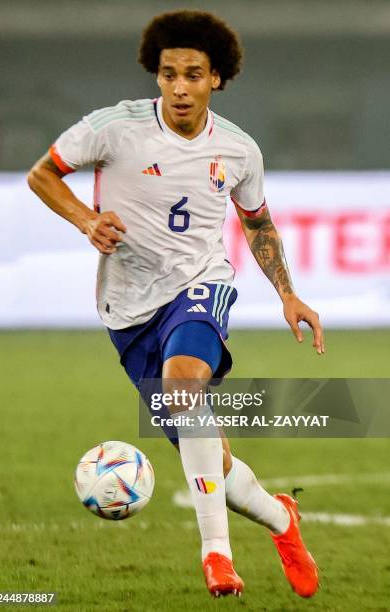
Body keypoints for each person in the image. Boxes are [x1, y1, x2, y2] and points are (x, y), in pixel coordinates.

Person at [28, 10, 324, 599]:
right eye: (168, 74)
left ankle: (216, 556)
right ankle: (282, 519)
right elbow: (44, 175)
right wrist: (88, 221)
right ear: (155, 76)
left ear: (218, 78)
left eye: (193, 74)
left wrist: (287, 293)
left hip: (201, 282)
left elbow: (257, 221)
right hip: (128, 308)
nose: (179, 87)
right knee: (212, 458)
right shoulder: (113, 128)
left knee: (184, 383)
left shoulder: (238, 149)